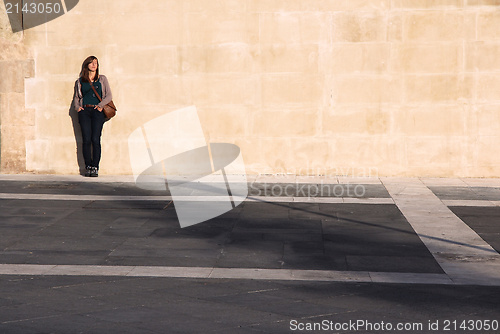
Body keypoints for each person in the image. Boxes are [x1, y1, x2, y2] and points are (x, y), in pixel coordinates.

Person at [72, 56, 113, 177]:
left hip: (97, 111)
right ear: (87, 65)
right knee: (86, 139)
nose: (94, 65)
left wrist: (100, 105)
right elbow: (76, 97)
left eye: (96, 63)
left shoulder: (102, 79)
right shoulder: (80, 81)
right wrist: (77, 108)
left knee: (95, 139)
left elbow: (109, 96)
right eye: (92, 63)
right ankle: (87, 166)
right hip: (84, 111)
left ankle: (95, 166)